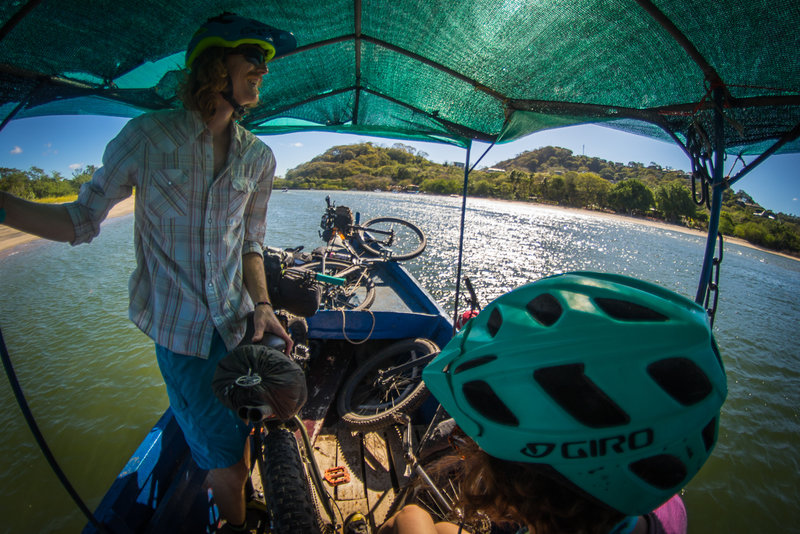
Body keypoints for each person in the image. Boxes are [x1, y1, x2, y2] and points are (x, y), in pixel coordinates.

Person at [0, 12, 296, 532]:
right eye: (251, 59)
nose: (262, 71)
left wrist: (265, 307)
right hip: (182, 340)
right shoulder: (146, 137)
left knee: (242, 433)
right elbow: (79, 219)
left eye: (263, 64)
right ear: (213, 66)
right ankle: (237, 521)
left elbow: (251, 243)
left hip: (240, 326)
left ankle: (241, 500)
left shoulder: (260, 158)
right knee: (224, 465)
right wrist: (5, 207)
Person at [357, 272, 728, 534]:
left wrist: (410, 519)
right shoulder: (665, 508)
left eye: (470, 446)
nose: (467, 451)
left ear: (517, 489)